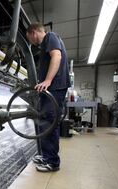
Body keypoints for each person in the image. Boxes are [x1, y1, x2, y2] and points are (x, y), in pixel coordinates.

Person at [26, 23, 70, 172]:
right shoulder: (45, 44)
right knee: (44, 122)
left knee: (49, 124)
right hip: (51, 89)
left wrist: (48, 80)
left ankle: (52, 162)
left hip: (55, 87)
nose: (31, 42)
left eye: (29, 39)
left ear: (33, 33)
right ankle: (46, 156)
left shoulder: (50, 37)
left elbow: (56, 56)